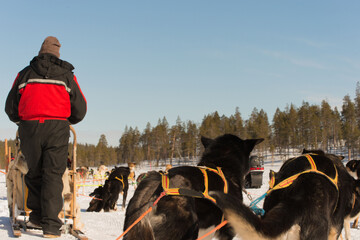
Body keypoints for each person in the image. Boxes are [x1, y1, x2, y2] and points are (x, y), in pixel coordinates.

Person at [5, 36, 87, 238]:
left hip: (30, 127)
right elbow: (81, 108)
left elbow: (10, 106)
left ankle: (36, 215)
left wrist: (20, 121)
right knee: (53, 174)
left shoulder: (25, 73)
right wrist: (68, 121)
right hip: (57, 128)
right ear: (57, 53)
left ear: (40, 52)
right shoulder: (67, 75)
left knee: (33, 171)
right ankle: (51, 226)